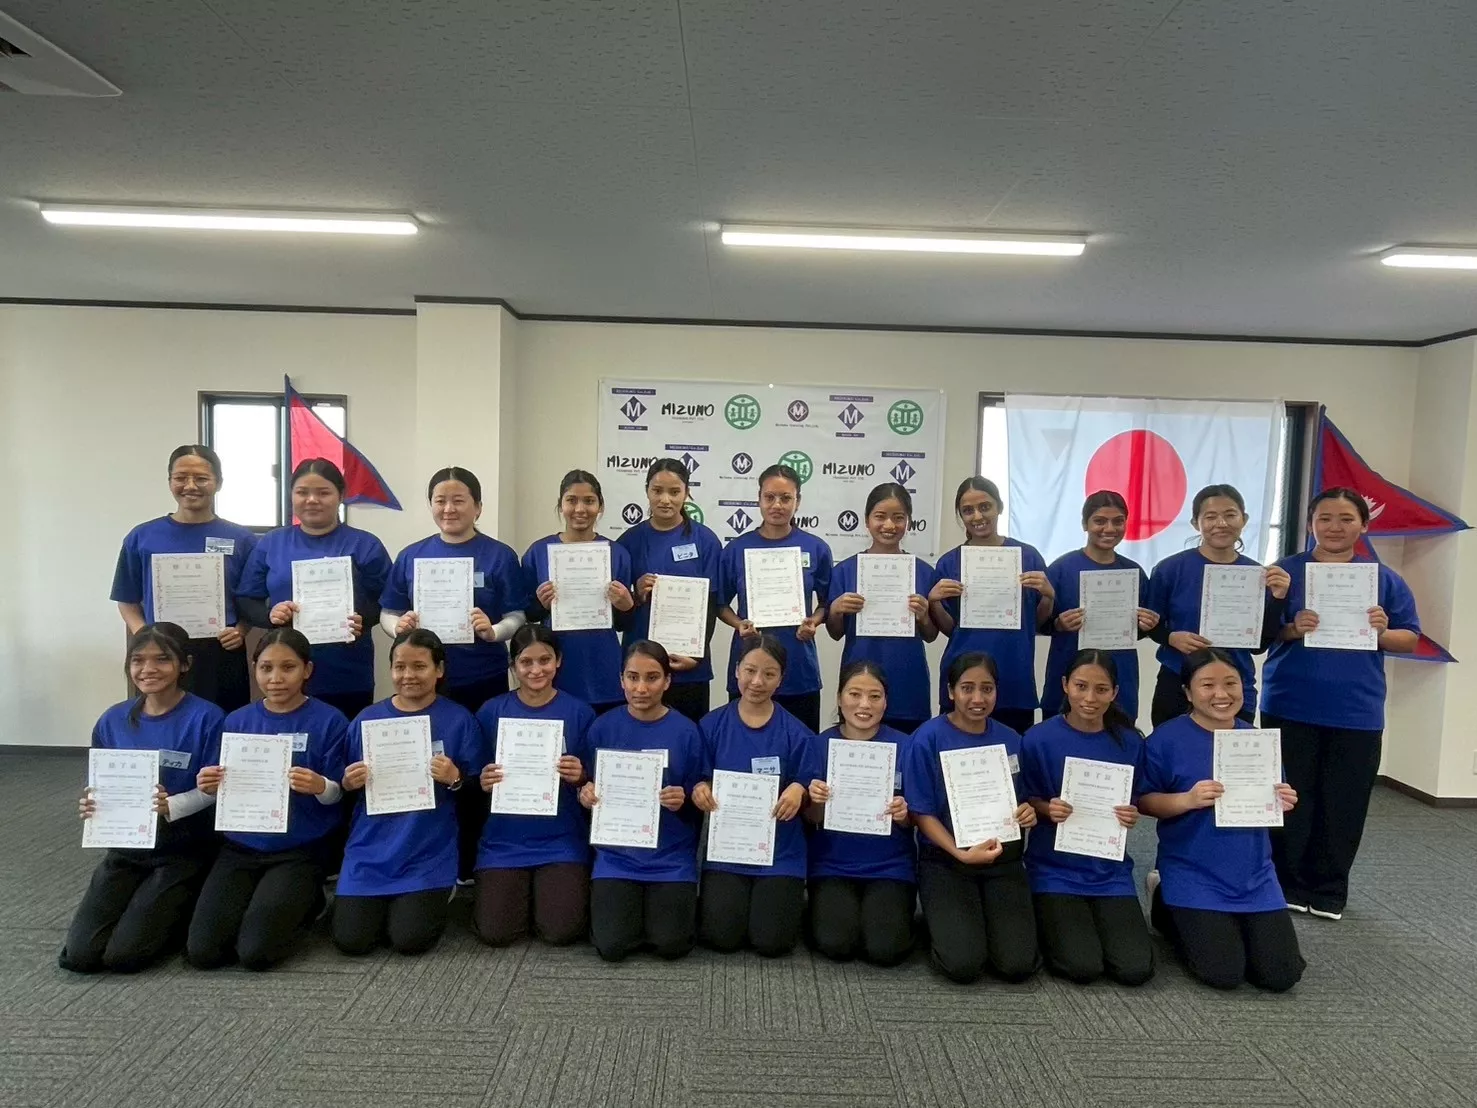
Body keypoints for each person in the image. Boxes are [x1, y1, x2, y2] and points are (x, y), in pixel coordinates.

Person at [1260, 487, 1420, 920]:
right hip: (1289, 702)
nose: (1334, 527)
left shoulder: (1383, 579)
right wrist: (1292, 627)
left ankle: (1329, 890)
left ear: (1363, 526)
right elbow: (1258, 634)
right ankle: (1286, 883)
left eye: (1346, 519)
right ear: (1310, 523)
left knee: (1344, 801)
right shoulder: (1284, 573)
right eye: (1325, 518)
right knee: (1290, 798)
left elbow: (1410, 636)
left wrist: (1382, 631)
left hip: (1357, 710)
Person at [380, 466, 528, 882]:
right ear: (430, 506)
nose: (449, 508)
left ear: (478, 506)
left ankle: (471, 861)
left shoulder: (499, 555)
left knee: (476, 773)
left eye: (459, 499)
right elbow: (387, 613)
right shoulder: (412, 555)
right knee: (428, 771)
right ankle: (427, 855)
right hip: (424, 687)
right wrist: (400, 628)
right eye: (440, 500)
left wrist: (493, 630)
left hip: (481, 678)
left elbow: (518, 614)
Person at [60, 623, 224, 973]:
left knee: (125, 956)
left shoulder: (208, 718)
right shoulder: (113, 720)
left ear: (184, 664)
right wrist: (91, 804)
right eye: (138, 660)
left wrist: (174, 805)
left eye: (162, 659)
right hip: (125, 849)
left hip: (182, 848)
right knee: (80, 956)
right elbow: (100, 783)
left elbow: (217, 791)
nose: (147, 669)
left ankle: (189, 905)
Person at [1139, 649, 1304, 991]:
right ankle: (1162, 899)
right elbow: (1144, 801)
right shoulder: (1166, 740)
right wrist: (1186, 800)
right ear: (1187, 691)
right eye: (1207, 685)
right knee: (1223, 973)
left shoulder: (1257, 743)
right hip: (1193, 871)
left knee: (1280, 976)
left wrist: (1283, 800)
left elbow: (1274, 796)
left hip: (1253, 873)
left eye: (1231, 684)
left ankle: (1233, 923)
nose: (1221, 694)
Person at [186, 629, 348, 970]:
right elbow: (218, 786)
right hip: (240, 847)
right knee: (203, 952)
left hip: (298, 850)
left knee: (256, 953)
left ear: (307, 670)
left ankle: (310, 900)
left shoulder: (330, 720)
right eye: (266, 668)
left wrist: (321, 785)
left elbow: (339, 795)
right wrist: (208, 785)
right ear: (254, 668)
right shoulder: (236, 720)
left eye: (288, 668)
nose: (276, 679)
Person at [332, 630, 483, 956]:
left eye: (419, 666)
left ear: (439, 670)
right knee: (352, 941)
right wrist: (347, 783)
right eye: (400, 667)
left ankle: (443, 889)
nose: (408, 675)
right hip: (371, 848)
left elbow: (477, 791)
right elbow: (338, 788)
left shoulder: (459, 720)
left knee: (408, 940)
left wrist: (455, 778)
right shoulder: (366, 720)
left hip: (426, 849)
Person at [1021, 650, 1154, 986]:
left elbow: (1137, 799)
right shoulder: (1037, 739)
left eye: (1101, 689)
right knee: (1082, 966)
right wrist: (1045, 808)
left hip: (1109, 870)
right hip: (1054, 869)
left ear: (1115, 693)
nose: (1090, 698)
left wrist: (1131, 813)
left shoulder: (1130, 743)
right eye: (1081, 686)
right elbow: (1027, 799)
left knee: (1134, 969)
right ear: (1065, 685)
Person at [905, 652, 1039, 983]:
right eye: (967, 688)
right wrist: (959, 853)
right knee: (963, 965)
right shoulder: (927, 738)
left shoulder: (1011, 740)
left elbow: (1023, 801)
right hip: (947, 859)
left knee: (1017, 966)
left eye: (987, 689)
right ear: (950, 691)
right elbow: (921, 813)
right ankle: (942, 924)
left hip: (1002, 859)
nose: (977, 698)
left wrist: (1027, 812)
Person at [580, 641, 708, 961]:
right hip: (616, 855)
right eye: (632, 677)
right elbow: (585, 784)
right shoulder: (602, 727)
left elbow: (700, 795)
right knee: (611, 947)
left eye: (652, 678)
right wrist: (585, 793)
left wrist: (685, 800)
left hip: (670, 855)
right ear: (621, 680)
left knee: (671, 946)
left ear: (667, 681)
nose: (641, 688)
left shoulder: (687, 732)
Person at [237, 458, 392, 720]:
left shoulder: (364, 544)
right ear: (291, 495)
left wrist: (363, 618)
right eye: (302, 492)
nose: (312, 500)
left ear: (340, 496)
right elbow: (246, 598)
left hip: (346, 671)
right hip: (283, 674)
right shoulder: (272, 543)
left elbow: (388, 600)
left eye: (323, 492)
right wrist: (270, 615)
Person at [693, 634, 816, 956]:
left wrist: (799, 789)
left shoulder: (797, 733)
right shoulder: (711, 725)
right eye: (750, 670)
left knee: (771, 943)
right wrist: (700, 790)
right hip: (727, 850)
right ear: (736, 671)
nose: (757, 682)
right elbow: (697, 777)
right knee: (722, 939)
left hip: (780, 855)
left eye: (769, 674)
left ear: (781, 679)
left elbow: (811, 785)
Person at [473, 625, 595, 946]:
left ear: (559, 662)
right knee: (495, 933)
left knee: (561, 932)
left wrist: (580, 775)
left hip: (561, 837)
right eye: (526, 662)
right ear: (513, 667)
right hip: (504, 841)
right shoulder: (490, 712)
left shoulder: (580, 713)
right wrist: (483, 781)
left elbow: (593, 784)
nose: (536, 669)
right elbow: (474, 778)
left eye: (545, 660)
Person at [111, 445, 258, 712]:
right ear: (169, 481)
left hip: (221, 652)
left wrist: (241, 630)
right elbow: (126, 599)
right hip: (162, 653)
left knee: (223, 729)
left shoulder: (242, 539)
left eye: (201, 478)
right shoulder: (142, 537)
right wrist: (144, 634)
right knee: (162, 725)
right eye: (180, 477)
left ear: (218, 482)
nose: (190, 486)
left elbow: (253, 599)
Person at [1145, 484, 1290, 727]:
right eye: (1210, 517)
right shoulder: (1170, 569)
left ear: (1244, 519)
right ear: (1195, 523)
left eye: (1230, 515)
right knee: (1171, 756)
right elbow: (1149, 624)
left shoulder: (1258, 575)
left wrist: (1278, 598)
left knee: (1228, 762)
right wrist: (1171, 637)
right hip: (1177, 681)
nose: (1220, 523)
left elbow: (1259, 646)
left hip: (1234, 685)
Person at [804, 661, 915, 966]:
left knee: (885, 950)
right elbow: (811, 819)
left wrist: (904, 814)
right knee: (836, 944)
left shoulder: (906, 746)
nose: (864, 705)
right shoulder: (819, 744)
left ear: (886, 701)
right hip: (832, 864)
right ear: (839, 698)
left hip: (890, 865)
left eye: (875, 696)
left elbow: (917, 818)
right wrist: (816, 801)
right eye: (854, 694)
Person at [929, 477, 1054, 735]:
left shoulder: (1027, 556)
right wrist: (934, 601)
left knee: (1012, 765)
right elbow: (950, 629)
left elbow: (1037, 622)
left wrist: (1049, 596)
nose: (977, 516)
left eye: (985, 507)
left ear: (999, 507)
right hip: (962, 678)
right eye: (968, 510)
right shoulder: (949, 562)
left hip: (1014, 676)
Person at [717, 465, 833, 731]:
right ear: (759, 499)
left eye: (786, 498)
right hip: (750, 664)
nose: (777, 505)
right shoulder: (737, 549)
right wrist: (738, 624)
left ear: (798, 501)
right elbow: (720, 603)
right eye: (769, 497)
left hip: (798, 667)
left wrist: (813, 622)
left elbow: (827, 603)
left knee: (801, 751)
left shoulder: (816, 548)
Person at [825, 482, 937, 733]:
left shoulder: (922, 571)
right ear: (866, 521)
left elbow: (931, 635)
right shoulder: (846, 570)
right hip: (859, 678)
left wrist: (923, 615)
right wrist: (835, 609)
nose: (889, 525)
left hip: (908, 678)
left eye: (898, 518)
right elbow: (835, 632)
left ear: (909, 522)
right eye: (880, 517)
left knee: (907, 759)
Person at [618, 459, 723, 723]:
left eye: (674, 492)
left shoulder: (705, 540)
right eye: (657, 491)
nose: (665, 499)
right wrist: (636, 593)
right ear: (647, 491)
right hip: (641, 671)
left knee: (688, 744)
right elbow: (618, 615)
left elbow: (710, 606)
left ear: (687, 493)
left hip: (688, 667)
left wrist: (695, 656)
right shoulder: (628, 542)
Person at [522, 469, 635, 714]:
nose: (580, 509)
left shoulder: (617, 554)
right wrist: (540, 604)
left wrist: (627, 605)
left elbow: (622, 624)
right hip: (557, 666)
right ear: (560, 505)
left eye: (589, 501)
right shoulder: (539, 552)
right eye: (571, 500)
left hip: (602, 665)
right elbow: (528, 615)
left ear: (600, 506)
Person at [1041, 491, 1158, 721]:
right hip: (1067, 673)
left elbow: (1141, 630)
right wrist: (1059, 624)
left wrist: (1147, 624)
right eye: (1100, 521)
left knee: (1118, 745)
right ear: (1085, 524)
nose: (1109, 528)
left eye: (1118, 521)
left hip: (1119, 675)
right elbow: (1039, 623)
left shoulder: (1134, 573)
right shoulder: (1061, 569)